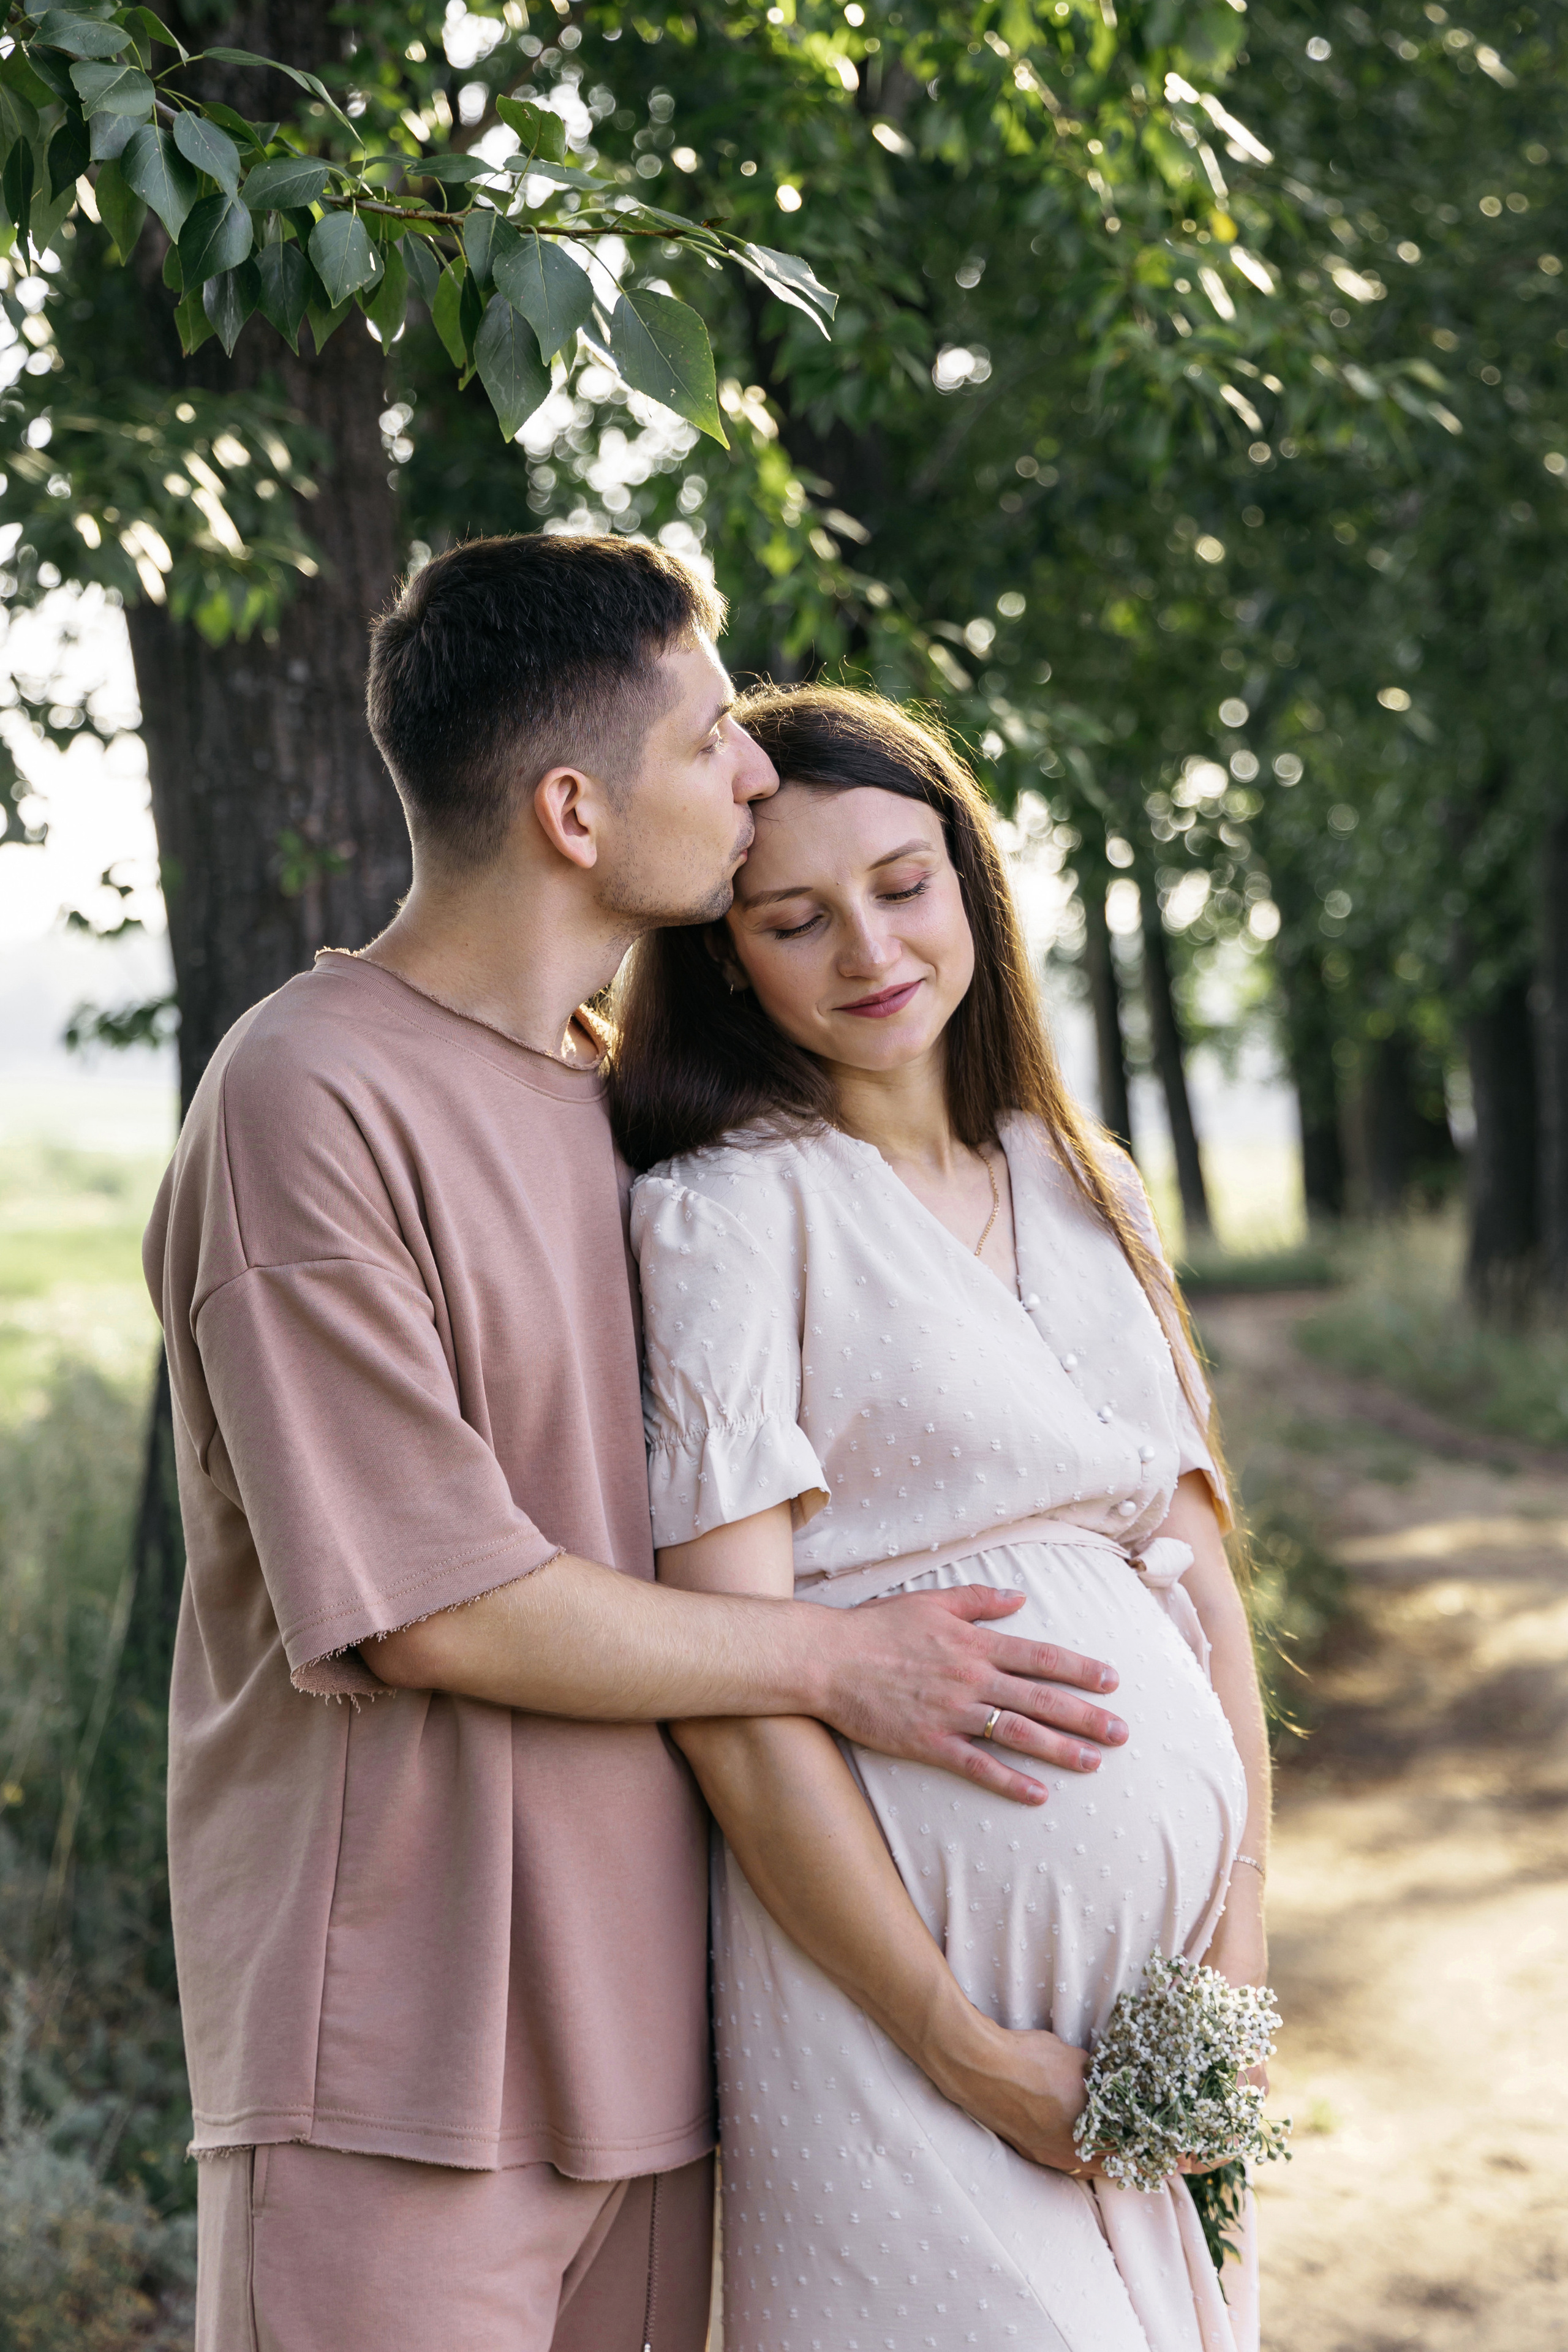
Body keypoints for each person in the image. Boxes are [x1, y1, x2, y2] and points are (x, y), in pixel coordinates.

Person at [143, 537, 1133, 2352]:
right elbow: (433, 1606)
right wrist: (842, 1664)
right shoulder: (310, 1094)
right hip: (403, 2070)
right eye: (708, 738)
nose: (755, 773)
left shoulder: (630, 1110)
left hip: (664, 2066)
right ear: (575, 813)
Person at [612, 684, 1273, 2352]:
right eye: (794, 919)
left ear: (971, 881)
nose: (869, 949)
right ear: (726, 959)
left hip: (1158, 2020)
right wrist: (954, 2042)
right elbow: (734, 1691)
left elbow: (1205, 1587)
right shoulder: (729, 1217)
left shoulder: (1089, 1180)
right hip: (899, 2014)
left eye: (904, 886)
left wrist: (1238, 1954)